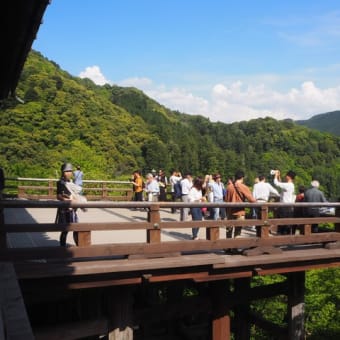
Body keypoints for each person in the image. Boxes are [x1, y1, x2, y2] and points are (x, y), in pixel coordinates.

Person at [225, 170, 256, 238]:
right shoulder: (244, 187)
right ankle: (235, 246)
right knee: (238, 231)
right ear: (242, 177)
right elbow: (252, 200)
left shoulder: (229, 187)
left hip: (230, 211)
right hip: (239, 212)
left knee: (229, 230)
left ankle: (228, 247)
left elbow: (226, 200)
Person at [56, 163, 79, 247]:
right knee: (65, 230)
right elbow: (58, 196)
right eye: (67, 171)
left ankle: (78, 247)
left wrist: (76, 200)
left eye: (70, 171)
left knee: (76, 229)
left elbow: (76, 195)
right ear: (63, 172)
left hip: (73, 209)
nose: (69, 173)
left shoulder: (72, 183)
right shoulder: (60, 183)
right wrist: (67, 200)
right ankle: (62, 248)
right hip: (64, 209)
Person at [273, 169, 296, 235]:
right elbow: (281, 184)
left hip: (284, 207)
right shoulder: (291, 185)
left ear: (288, 177)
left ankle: (281, 237)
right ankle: (285, 238)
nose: (285, 176)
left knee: (282, 223)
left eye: (286, 175)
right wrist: (278, 177)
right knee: (287, 224)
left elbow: (276, 183)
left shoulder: (288, 185)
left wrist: (276, 175)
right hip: (289, 207)